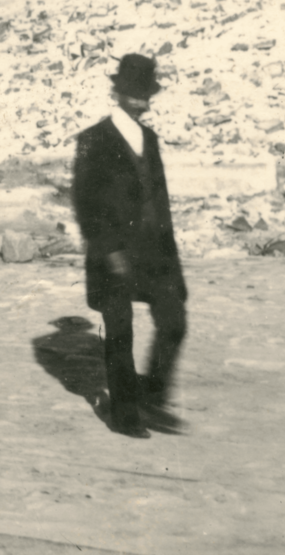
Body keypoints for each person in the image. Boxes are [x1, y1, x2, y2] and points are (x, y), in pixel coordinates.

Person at [73, 54, 187, 438]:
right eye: (134, 94)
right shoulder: (94, 139)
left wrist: (171, 260)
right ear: (118, 93)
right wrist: (109, 251)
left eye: (146, 95)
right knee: (120, 331)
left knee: (174, 322)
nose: (142, 102)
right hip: (113, 254)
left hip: (154, 254)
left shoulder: (149, 139)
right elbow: (84, 202)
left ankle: (151, 398)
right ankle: (124, 413)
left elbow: (160, 201)